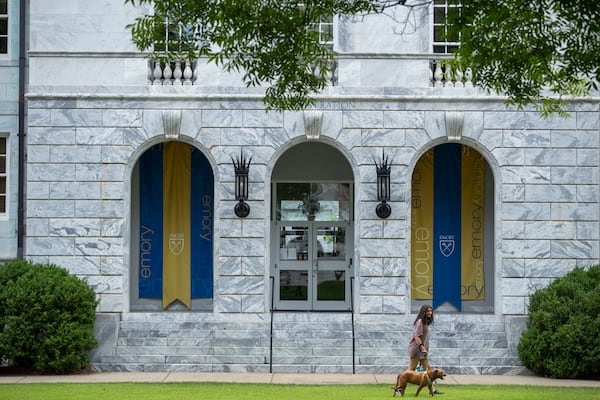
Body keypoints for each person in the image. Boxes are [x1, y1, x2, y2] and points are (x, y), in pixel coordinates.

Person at [407, 304, 443, 394]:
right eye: (428, 311)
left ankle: (432, 390)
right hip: (417, 350)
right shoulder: (420, 321)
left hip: (422, 351)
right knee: (410, 371)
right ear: (423, 312)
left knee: (429, 371)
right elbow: (417, 337)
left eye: (431, 311)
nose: (430, 313)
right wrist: (422, 348)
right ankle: (399, 388)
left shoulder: (425, 322)